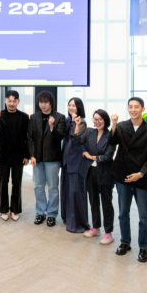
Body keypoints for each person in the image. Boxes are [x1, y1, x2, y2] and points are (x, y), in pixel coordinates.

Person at [109, 97, 147, 263]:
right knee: (123, 213)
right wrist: (114, 123)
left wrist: (141, 173)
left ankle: (144, 248)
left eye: (136, 107)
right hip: (123, 175)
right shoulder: (122, 126)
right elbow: (112, 141)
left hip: (141, 177)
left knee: (143, 216)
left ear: (143, 109)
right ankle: (125, 242)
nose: (133, 110)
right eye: (130, 107)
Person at [27, 91, 66, 227]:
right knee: (38, 187)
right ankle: (40, 213)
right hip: (37, 158)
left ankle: (51, 214)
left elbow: (60, 137)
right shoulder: (34, 117)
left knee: (53, 188)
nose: (43, 105)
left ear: (51, 103)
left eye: (46, 102)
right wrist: (31, 155)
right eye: (41, 102)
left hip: (52, 159)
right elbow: (30, 137)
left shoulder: (60, 117)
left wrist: (51, 127)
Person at [0, 90, 29, 222]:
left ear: (18, 101)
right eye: (9, 100)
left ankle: (14, 209)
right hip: (3, 155)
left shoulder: (24, 117)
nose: (12, 103)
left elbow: (26, 137)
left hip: (19, 155)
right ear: (5, 101)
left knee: (17, 183)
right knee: (3, 182)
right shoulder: (0, 115)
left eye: (14, 101)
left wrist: (27, 155)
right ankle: (4, 210)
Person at [81, 109, 116, 244]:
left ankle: (108, 233)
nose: (97, 122)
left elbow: (108, 157)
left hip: (105, 173)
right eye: (95, 119)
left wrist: (92, 156)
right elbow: (79, 141)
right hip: (90, 172)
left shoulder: (110, 135)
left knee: (106, 203)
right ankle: (95, 228)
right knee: (93, 200)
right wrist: (78, 125)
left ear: (105, 120)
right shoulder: (90, 132)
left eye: (100, 119)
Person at [60, 97, 90, 234]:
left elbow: (77, 139)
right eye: (69, 105)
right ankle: (67, 218)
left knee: (75, 191)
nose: (71, 107)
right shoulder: (67, 120)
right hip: (66, 160)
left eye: (74, 105)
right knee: (66, 189)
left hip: (76, 161)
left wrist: (76, 124)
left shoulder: (82, 122)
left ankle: (77, 222)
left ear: (79, 108)